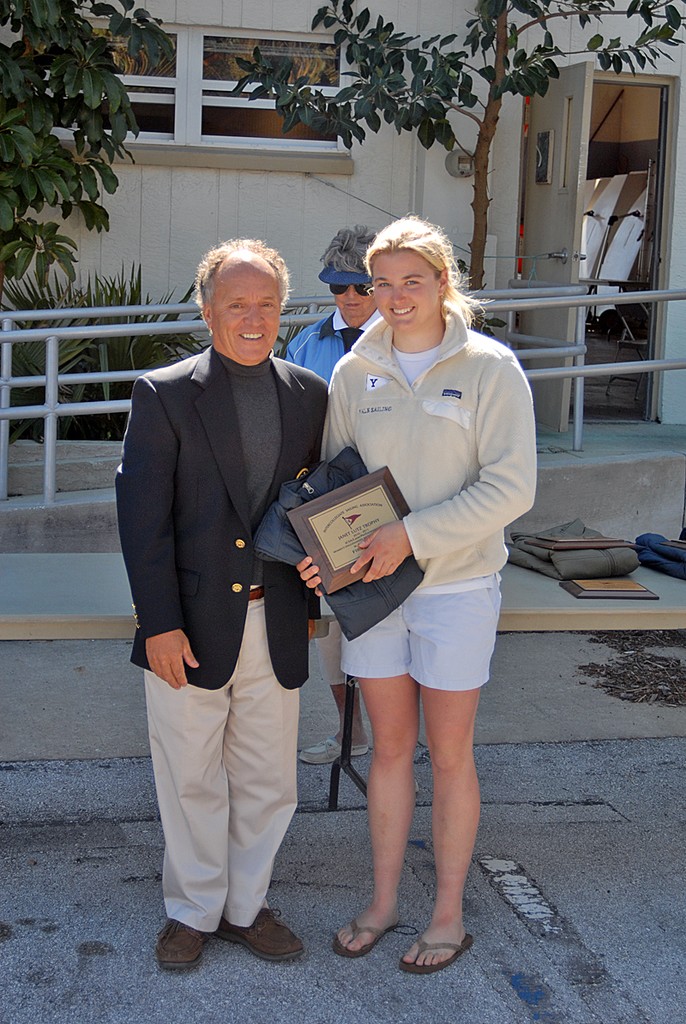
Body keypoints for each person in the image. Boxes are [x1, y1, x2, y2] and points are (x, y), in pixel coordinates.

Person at [298, 216, 537, 974]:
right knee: (392, 750)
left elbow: (511, 487)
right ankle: (384, 901)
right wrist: (322, 555)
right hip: (374, 594)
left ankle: (448, 914)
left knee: (450, 753)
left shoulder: (492, 367)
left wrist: (413, 535)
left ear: (443, 283)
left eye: (413, 281)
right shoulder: (354, 371)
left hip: (458, 585)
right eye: (383, 284)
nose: (396, 298)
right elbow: (337, 477)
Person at [115, 239, 328, 970]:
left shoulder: (308, 393)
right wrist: (160, 625)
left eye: (267, 303)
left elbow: (310, 503)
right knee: (191, 776)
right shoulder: (164, 393)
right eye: (237, 303)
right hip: (191, 625)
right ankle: (193, 911)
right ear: (208, 312)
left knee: (269, 780)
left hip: (279, 619)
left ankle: (245, 907)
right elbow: (142, 523)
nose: (253, 317)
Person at [286, 225, 381, 765]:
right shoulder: (307, 343)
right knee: (331, 632)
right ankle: (352, 733)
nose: (349, 299)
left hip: (392, 501)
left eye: (360, 288)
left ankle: (401, 739)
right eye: (338, 289)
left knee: (391, 623)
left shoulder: (405, 340)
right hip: (327, 503)